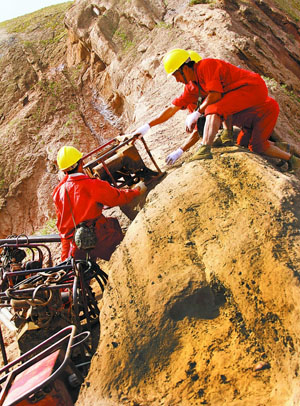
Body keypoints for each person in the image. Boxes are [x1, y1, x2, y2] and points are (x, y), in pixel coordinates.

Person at [133, 49, 300, 170]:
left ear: (184, 68)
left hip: (253, 89)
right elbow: (172, 108)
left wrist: (199, 113)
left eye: (175, 75)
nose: (176, 80)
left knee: (214, 107)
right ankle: (290, 157)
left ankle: (205, 149)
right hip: (250, 111)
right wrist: (147, 126)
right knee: (252, 146)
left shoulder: (207, 66)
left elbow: (215, 96)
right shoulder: (193, 87)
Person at [53, 146, 145, 262]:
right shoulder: (91, 185)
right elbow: (117, 198)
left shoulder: (58, 192)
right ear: (81, 162)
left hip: (75, 242)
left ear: (64, 170)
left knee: (77, 273)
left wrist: (65, 256)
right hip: (99, 236)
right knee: (125, 253)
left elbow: (62, 227)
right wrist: (136, 191)